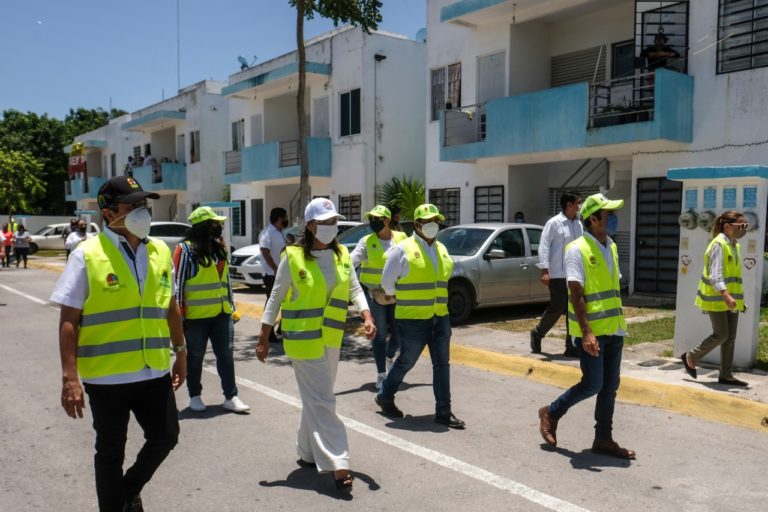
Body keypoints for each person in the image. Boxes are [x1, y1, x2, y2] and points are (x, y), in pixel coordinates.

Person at [51, 175, 187, 512]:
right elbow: (69, 320)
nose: (142, 211)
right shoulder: (87, 255)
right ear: (110, 214)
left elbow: (169, 305)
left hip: (152, 369)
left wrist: (181, 352)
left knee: (166, 436)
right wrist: (70, 378)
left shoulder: (159, 250)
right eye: (133, 206)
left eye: (144, 204)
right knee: (110, 450)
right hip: (107, 376)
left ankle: (128, 489)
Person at [256, 198, 375, 493]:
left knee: (316, 398)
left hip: (331, 338)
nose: (331, 227)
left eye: (334, 221)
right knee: (324, 401)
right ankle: (339, 463)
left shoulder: (342, 254)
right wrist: (262, 336)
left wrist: (366, 313)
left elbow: (354, 287)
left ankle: (307, 451)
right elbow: (276, 298)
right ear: (310, 226)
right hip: (302, 342)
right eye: (325, 223)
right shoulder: (293, 257)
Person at [537, 193, 634, 460]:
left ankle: (603, 438)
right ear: (593, 219)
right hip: (591, 332)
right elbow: (576, 294)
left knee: (609, 387)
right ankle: (551, 412)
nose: (613, 218)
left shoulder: (611, 246)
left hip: (614, 329)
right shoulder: (577, 249)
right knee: (593, 384)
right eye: (608, 214)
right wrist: (587, 332)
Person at [375, 203, 465, 430]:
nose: (433, 225)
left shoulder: (442, 249)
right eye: (428, 221)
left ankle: (444, 412)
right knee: (406, 360)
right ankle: (385, 394)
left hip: (440, 317)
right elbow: (387, 283)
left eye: (436, 220)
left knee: (442, 365)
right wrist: (400, 297)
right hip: (413, 318)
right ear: (416, 225)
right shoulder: (402, 249)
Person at [174, 206, 250, 413]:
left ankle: (231, 396)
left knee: (226, 354)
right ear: (203, 227)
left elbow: (224, 281)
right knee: (196, 355)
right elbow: (178, 285)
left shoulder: (219, 248)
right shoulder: (185, 250)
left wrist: (231, 308)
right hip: (196, 317)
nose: (219, 227)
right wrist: (179, 317)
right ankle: (195, 396)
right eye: (215, 223)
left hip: (221, 313)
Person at [681, 211, 749, 388]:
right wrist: (726, 294)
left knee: (730, 337)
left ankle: (726, 375)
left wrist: (737, 299)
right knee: (722, 334)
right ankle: (691, 356)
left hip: (730, 299)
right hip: (716, 298)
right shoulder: (718, 244)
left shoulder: (736, 245)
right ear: (727, 226)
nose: (744, 229)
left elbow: (733, 276)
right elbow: (715, 275)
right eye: (740, 225)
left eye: (745, 225)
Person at [350, 205, 407, 389]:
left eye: (377, 218)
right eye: (371, 218)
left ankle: (389, 357)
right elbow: (352, 261)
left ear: (387, 220)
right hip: (375, 295)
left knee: (399, 335)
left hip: (397, 295)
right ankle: (382, 373)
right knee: (380, 335)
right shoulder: (366, 241)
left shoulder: (402, 238)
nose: (373, 221)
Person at [531, 192, 583, 357]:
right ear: (568, 205)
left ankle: (571, 346)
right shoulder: (554, 223)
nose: (579, 206)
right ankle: (538, 333)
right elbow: (544, 245)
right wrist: (545, 270)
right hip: (557, 274)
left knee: (573, 309)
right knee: (558, 307)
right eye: (577, 203)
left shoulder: (579, 224)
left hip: (574, 274)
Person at [258, 207, 289, 343]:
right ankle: (268, 334)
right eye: (285, 217)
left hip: (281, 273)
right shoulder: (267, 232)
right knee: (273, 304)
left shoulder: (280, 232)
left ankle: (282, 328)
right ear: (280, 218)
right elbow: (265, 252)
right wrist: (275, 268)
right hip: (271, 274)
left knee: (285, 301)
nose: (286, 219)